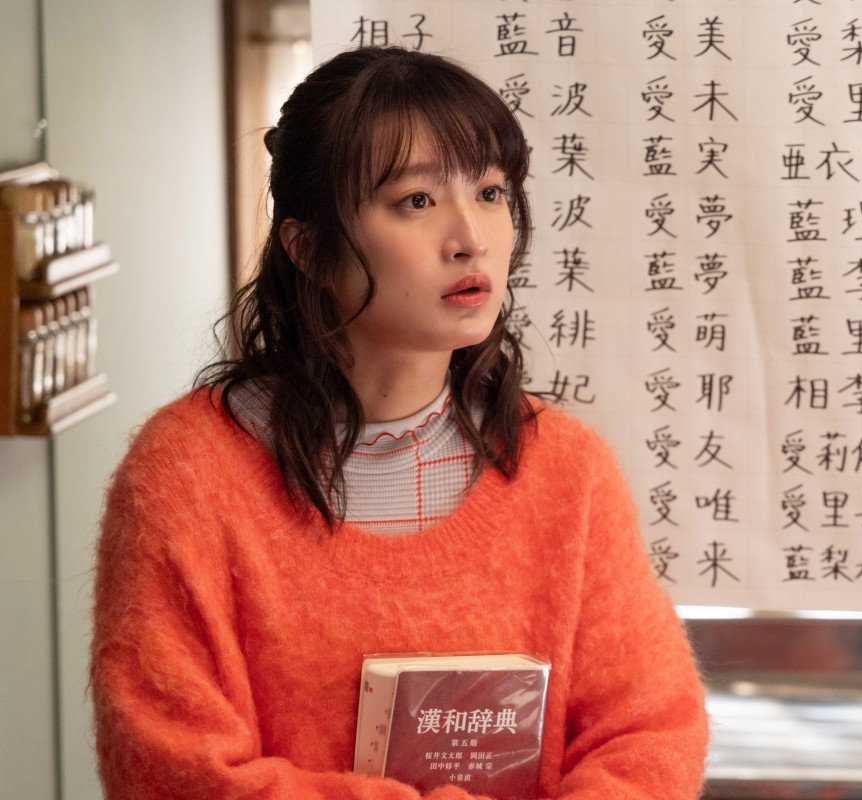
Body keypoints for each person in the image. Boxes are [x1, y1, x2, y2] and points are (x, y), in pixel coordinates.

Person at [90, 46, 708, 799]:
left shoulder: (566, 470)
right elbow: (171, 767)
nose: (471, 237)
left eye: (490, 192)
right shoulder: (187, 474)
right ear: (309, 248)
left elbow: (651, 734)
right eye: (416, 201)